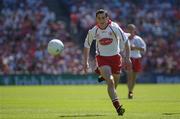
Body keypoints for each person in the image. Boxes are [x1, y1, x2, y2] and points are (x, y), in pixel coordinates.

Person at [83, 9, 131, 116]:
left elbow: (126, 42)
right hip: (102, 58)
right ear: (96, 20)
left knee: (114, 85)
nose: (101, 20)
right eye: (99, 18)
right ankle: (118, 107)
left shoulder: (114, 27)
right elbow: (86, 45)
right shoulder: (94, 30)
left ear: (107, 18)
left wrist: (128, 58)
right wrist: (85, 62)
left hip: (116, 58)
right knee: (111, 81)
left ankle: (101, 74)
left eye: (103, 18)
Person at [125, 24, 146, 99]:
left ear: (134, 30)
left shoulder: (138, 39)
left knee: (134, 77)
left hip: (137, 58)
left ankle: (131, 91)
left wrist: (135, 48)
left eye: (132, 29)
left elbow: (143, 49)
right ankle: (129, 91)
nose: (130, 31)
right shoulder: (125, 39)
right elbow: (120, 48)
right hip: (129, 58)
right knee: (129, 76)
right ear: (127, 30)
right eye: (129, 29)